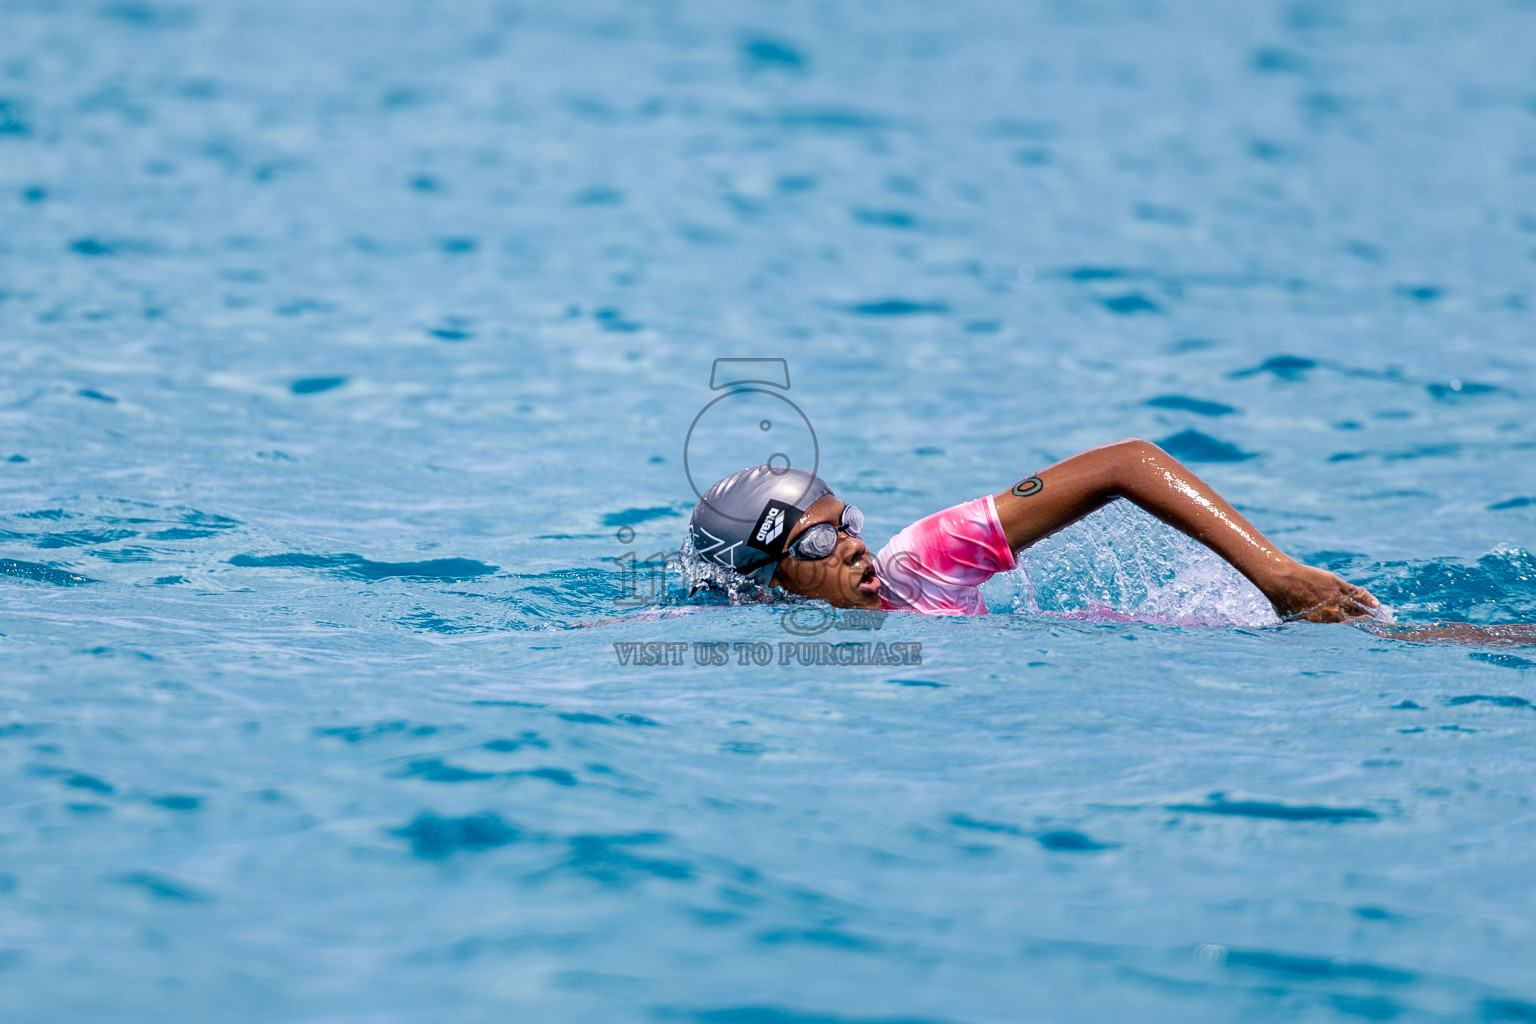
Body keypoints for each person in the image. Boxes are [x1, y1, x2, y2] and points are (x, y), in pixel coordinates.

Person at [685, 437, 1381, 623]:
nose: (853, 545)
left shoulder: (919, 566)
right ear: (767, 586)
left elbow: (1127, 463)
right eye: (817, 543)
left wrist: (1278, 577)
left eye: (846, 524)